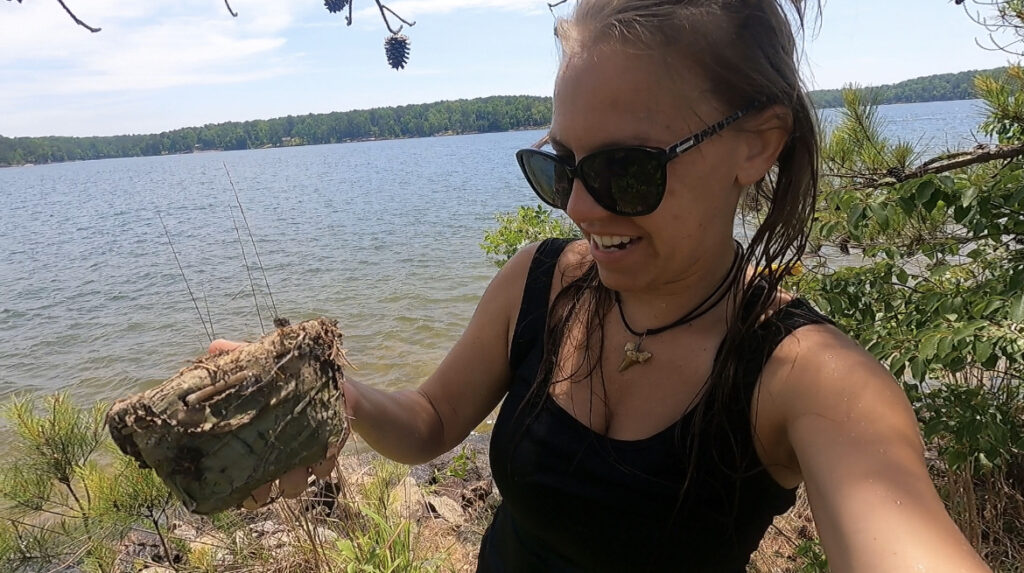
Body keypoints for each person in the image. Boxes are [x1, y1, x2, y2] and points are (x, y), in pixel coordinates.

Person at [213, 1, 992, 570]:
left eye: (628, 169)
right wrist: (333, 396)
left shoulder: (809, 379)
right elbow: (429, 419)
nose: (581, 206)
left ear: (756, 146)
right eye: (560, 166)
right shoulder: (540, 283)